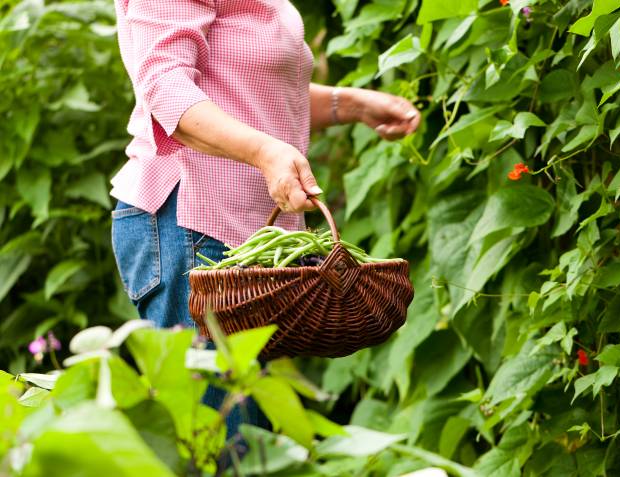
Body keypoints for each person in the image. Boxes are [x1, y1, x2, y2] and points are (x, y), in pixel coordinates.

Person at [109, 0, 420, 441]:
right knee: (224, 447)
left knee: (251, 442)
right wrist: (264, 152)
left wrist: (351, 104)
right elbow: (165, 89)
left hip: (243, 236)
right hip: (192, 224)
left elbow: (248, 91)